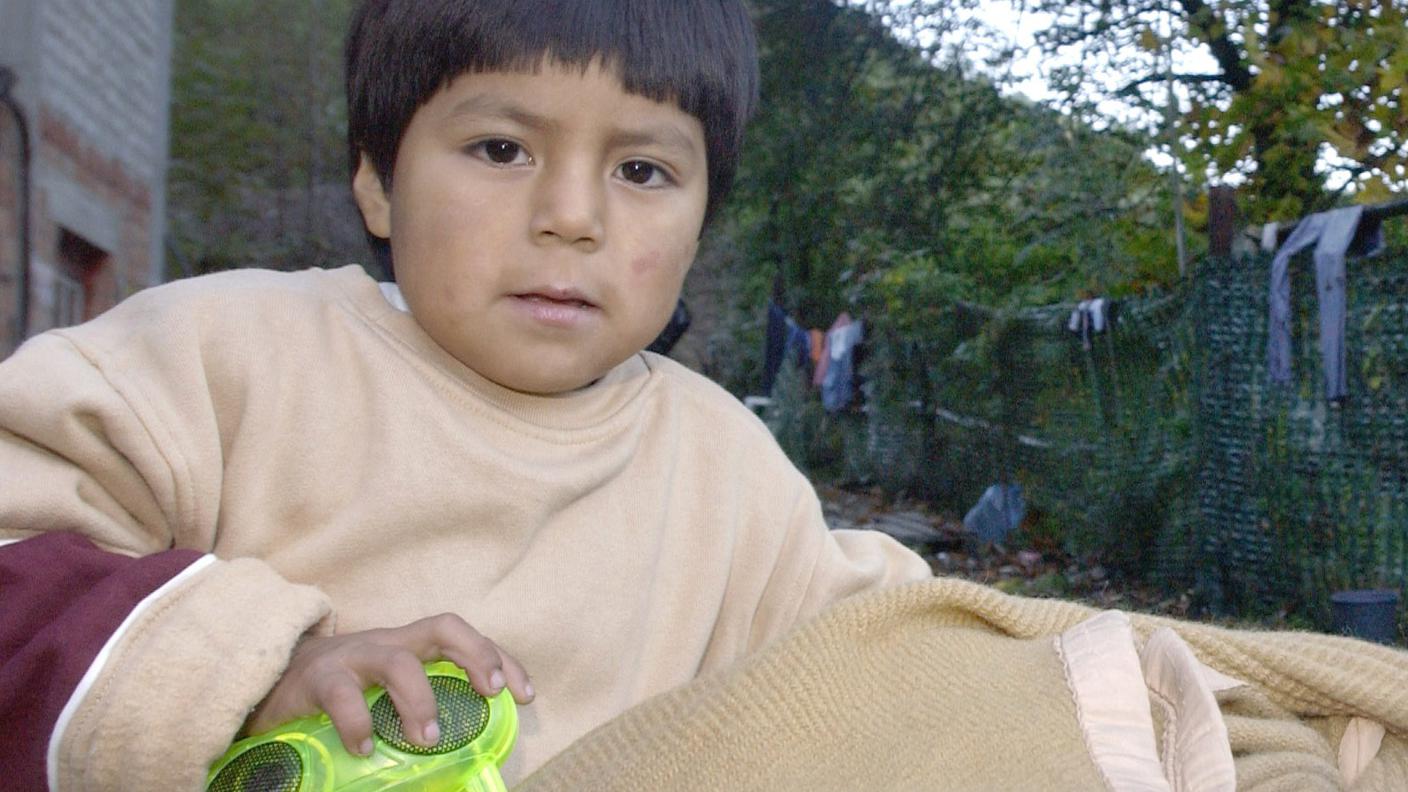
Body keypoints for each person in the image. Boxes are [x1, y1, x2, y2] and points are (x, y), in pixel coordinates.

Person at [0, 1, 931, 789]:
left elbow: (900, 665)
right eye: (501, 148)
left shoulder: (733, 477)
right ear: (377, 179)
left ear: (701, 222)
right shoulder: (211, 359)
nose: (572, 216)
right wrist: (239, 673)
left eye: (642, 171)